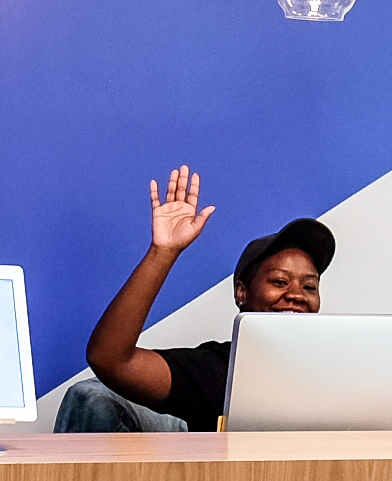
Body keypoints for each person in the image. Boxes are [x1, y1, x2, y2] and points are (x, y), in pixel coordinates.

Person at [58, 166, 334, 432]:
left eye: (310, 286)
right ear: (242, 293)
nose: (297, 295)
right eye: (279, 282)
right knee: (90, 395)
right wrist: (163, 252)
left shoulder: (334, 371)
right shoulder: (219, 369)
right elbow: (110, 360)